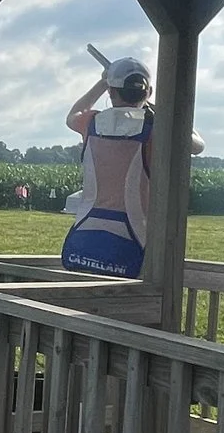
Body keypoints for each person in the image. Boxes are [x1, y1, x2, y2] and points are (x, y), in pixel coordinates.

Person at [60, 54, 205, 279]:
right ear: (147, 92)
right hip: (136, 241)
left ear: (111, 91)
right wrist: (157, 106)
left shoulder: (91, 123)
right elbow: (197, 144)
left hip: (85, 237)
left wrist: (102, 82)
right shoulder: (157, 130)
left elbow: (73, 114)